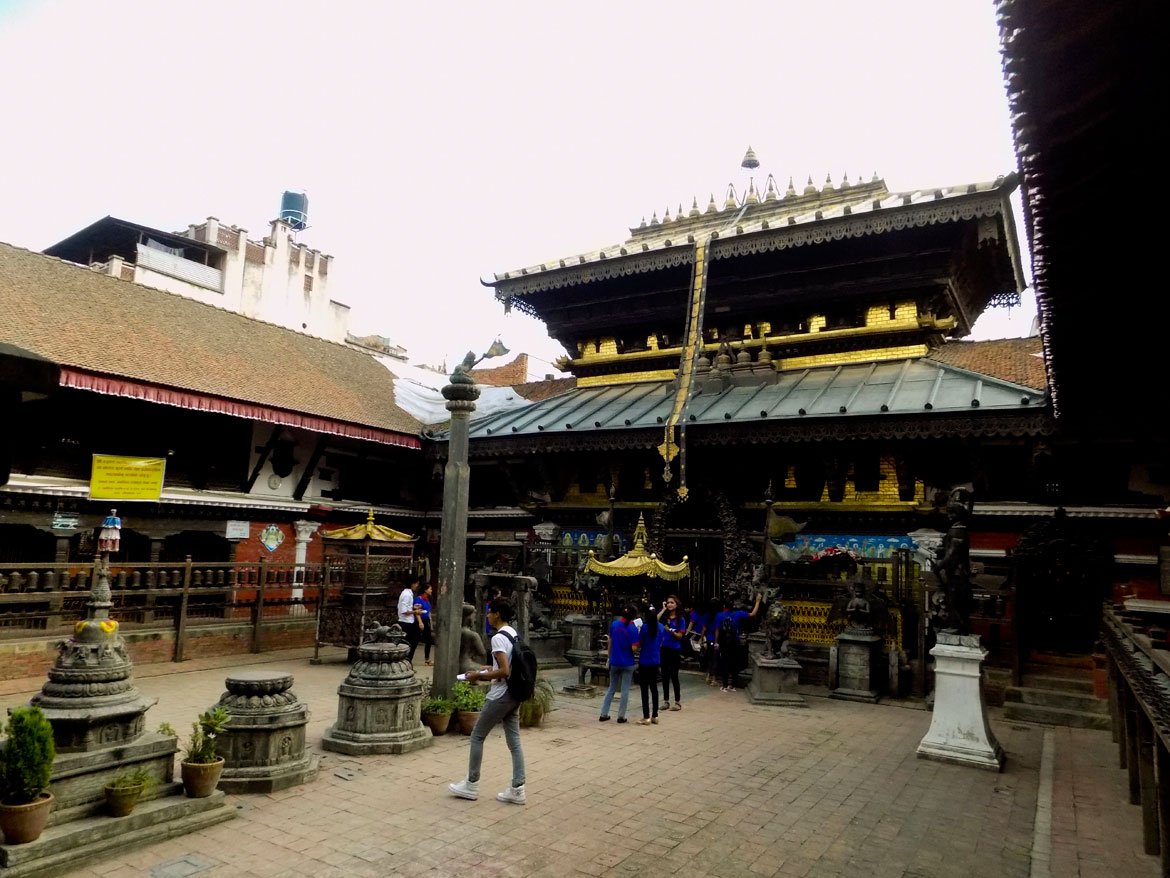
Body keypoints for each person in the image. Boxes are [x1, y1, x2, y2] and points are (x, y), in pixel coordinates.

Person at [449, 598, 527, 805]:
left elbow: (504, 670)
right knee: (514, 742)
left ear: (497, 614)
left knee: (477, 736)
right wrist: (484, 669)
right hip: (514, 693)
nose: (487, 616)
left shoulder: (498, 638)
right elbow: (504, 665)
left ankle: (471, 784)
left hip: (501, 694)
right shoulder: (513, 633)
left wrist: (478, 677)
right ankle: (518, 788)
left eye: (490, 612)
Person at [713, 592, 762, 691]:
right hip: (734, 641)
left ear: (723, 606)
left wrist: (716, 642)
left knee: (724, 662)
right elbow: (753, 614)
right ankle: (733, 685)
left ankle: (725, 685)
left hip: (723, 642)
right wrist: (757, 601)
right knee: (734, 662)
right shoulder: (738, 613)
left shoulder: (719, 615)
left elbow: (717, 630)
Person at [598, 604, 639, 724]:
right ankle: (621, 716)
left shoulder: (615, 625)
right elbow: (634, 648)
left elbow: (609, 642)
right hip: (628, 662)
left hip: (614, 660)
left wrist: (609, 657)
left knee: (611, 688)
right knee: (625, 690)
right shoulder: (633, 629)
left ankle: (603, 713)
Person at [636, 604, 665, 725]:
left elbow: (640, 642)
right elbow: (661, 641)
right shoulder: (661, 627)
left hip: (644, 661)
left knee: (644, 689)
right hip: (655, 660)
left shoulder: (644, 628)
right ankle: (655, 715)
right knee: (654, 689)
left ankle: (646, 716)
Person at [658, 595, 686, 710]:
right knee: (664, 675)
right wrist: (663, 609)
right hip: (664, 648)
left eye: (672, 603)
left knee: (674, 675)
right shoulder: (664, 617)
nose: (669, 604)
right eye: (668, 602)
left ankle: (677, 702)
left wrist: (670, 631)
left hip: (674, 649)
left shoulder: (681, 619)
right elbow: (655, 619)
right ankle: (666, 701)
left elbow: (680, 636)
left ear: (676, 605)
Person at [397, 577, 420, 663]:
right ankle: (406, 661)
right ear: (412, 584)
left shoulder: (408, 593)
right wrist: (415, 611)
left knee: (411, 642)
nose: (417, 586)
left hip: (409, 621)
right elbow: (403, 611)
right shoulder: (406, 594)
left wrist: (413, 608)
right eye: (416, 583)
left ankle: (407, 661)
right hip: (406, 622)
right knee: (409, 643)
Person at [416, 583, 434, 665]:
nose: (431, 590)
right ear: (425, 590)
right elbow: (417, 612)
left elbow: (429, 611)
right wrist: (420, 622)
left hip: (426, 621)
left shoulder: (428, 599)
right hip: (421, 621)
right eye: (430, 589)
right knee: (415, 640)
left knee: (429, 640)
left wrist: (430, 622)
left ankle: (427, 658)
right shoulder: (419, 599)